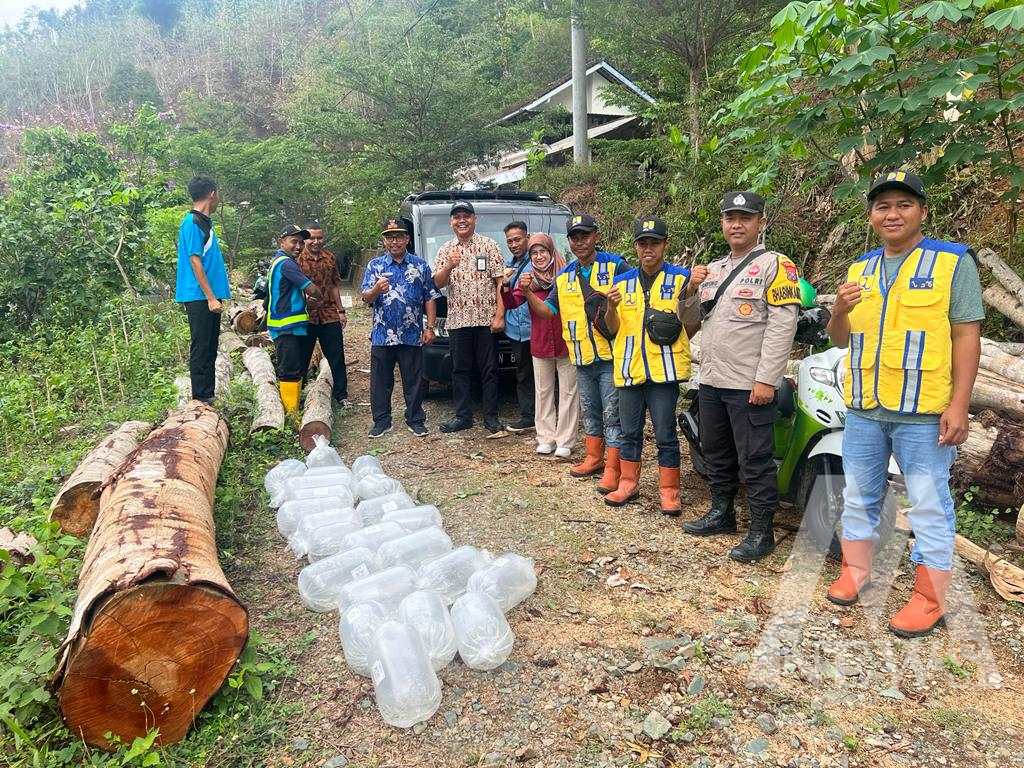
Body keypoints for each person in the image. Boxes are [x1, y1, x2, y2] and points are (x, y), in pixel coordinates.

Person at [825, 171, 982, 638]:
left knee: (930, 504)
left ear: (922, 211)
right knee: (859, 493)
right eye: (882, 206)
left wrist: (960, 404)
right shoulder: (861, 270)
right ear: (871, 216)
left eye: (903, 205)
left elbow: (966, 335)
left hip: (924, 411)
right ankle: (856, 571)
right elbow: (842, 339)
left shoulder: (952, 263)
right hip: (865, 409)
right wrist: (837, 311)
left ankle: (930, 598)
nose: (892, 214)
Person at [683, 191, 800, 563]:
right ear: (722, 223)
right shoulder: (713, 270)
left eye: (745, 218)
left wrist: (768, 379)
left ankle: (762, 531)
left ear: (760, 222)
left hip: (749, 383)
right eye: (730, 218)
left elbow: (783, 326)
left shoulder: (776, 265)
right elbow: (689, 322)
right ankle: (723, 513)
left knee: (755, 459)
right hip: (713, 379)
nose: (736, 224)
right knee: (716, 452)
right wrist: (689, 287)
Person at [603, 217, 706, 513]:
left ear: (665, 245)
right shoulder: (621, 282)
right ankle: (627, 483)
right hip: (629, 369)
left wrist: (690, 292)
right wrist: (610, 306)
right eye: (643, 243)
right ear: (635, 247)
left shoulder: (681, 279)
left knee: (665, 433)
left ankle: (670, 490)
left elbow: (691, 324)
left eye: (655, 243)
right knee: (629, 431)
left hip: (665, 372)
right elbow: (612, 328)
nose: (648, 248)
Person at [522, 214, 628, 491]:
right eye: (574, 237)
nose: (580, 242)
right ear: (568, 242)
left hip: (609, 356)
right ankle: (594, 458)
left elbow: (635, 297)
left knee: (612, 414)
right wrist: (530, 294)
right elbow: (548, 311)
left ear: (596, 236)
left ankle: (614, 468)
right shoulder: (565, 275)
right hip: (580, 357)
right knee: (591, 412)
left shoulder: (615, 265)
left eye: (585, 236)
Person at [360, 216, 440, 438]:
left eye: (398, 237)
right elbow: (365, 298)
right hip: (382, 334)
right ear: (384, 241)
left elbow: (429, 297)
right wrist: (376, 289)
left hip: (412, 333)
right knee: (380, 381)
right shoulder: (375, 266)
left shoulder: (420, 265)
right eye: (389, 237)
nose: (394, 242)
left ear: (406, 239)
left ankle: (415, 418)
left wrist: (430, 327)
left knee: (414, 380)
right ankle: (381, 421)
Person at [433, 200, 507, 437]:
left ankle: (491, 417)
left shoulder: (489, 245)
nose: (461, 220)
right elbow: (438, 283)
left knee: (490, 370)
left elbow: (500, 282)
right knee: (460, 370)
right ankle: (463, 416)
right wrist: (449, 266)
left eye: (466, 216)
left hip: (486, 320)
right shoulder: (446, 249)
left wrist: (499, 314)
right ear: (451, 222)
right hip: (458, 321)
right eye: (457, 217)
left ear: (475, 219)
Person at [504, 233, 579, 458]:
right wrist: (507, 285)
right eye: (534, 253)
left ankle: (565, 439)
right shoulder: (527, 279)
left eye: (542, 252)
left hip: (567, 341)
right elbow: (512, 303)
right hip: (540, 342)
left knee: (568, 392)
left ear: (551, 252)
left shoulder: (566, 275)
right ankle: (545, 438)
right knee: (543, 392)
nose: (538, 257)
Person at [175, 175, 231, 404]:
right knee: (201, 345)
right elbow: (195, 261)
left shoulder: (205, 222)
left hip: (209, 296)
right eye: (218, 194)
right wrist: (210, 297)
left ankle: (208, 394)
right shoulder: (191, 223)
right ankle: (200, 398)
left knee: (211, 345)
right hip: (199, 296)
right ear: (212, 193)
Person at [267, 224, 321, 413]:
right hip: (286, 325)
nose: (298, 246)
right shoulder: (286, 263)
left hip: (288, 324)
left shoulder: (279, 261)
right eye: (294, 242)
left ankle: (294, 407)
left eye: (300, 242)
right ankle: (291, 413)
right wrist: (319, 296)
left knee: (295, 368)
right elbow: (311, 288)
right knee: (289, 370)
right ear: (282, 241)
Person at [298, 220, 349, 406]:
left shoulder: (329, 257)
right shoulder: (297, 259)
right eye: (312, 238)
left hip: (329, 314)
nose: (316, 242)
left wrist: (341, 310)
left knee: (336, 356)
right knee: (301, 357)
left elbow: (335, 285)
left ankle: (342, 395)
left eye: (320, 238)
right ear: (305, 239)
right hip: (305, 316)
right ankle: (297, 397)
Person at [502, 221, 535, 433]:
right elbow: (505, 297)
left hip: (537, 328)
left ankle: (545, 416)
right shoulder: (508, 265)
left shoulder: (539, 262)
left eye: (517, 239)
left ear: (528, 238)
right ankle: (528, 416)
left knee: (545, 376)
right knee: (523, 373)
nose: (514, 244)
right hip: (515, 329)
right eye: (510, 241)